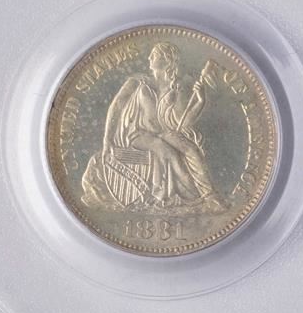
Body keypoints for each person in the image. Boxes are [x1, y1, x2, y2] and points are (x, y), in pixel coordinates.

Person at [81, 42, 225, 212]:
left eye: (154, 55)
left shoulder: (173, 87)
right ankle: (181, 197)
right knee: (166, 151)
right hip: (137, 135)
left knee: (191, 149)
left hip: (163, 132)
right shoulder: (136, 82)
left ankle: (210, 197)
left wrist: (200, 101)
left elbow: (182, 122)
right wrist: (107, 139)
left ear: (167, 60)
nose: (149, 57)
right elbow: (116, 107)